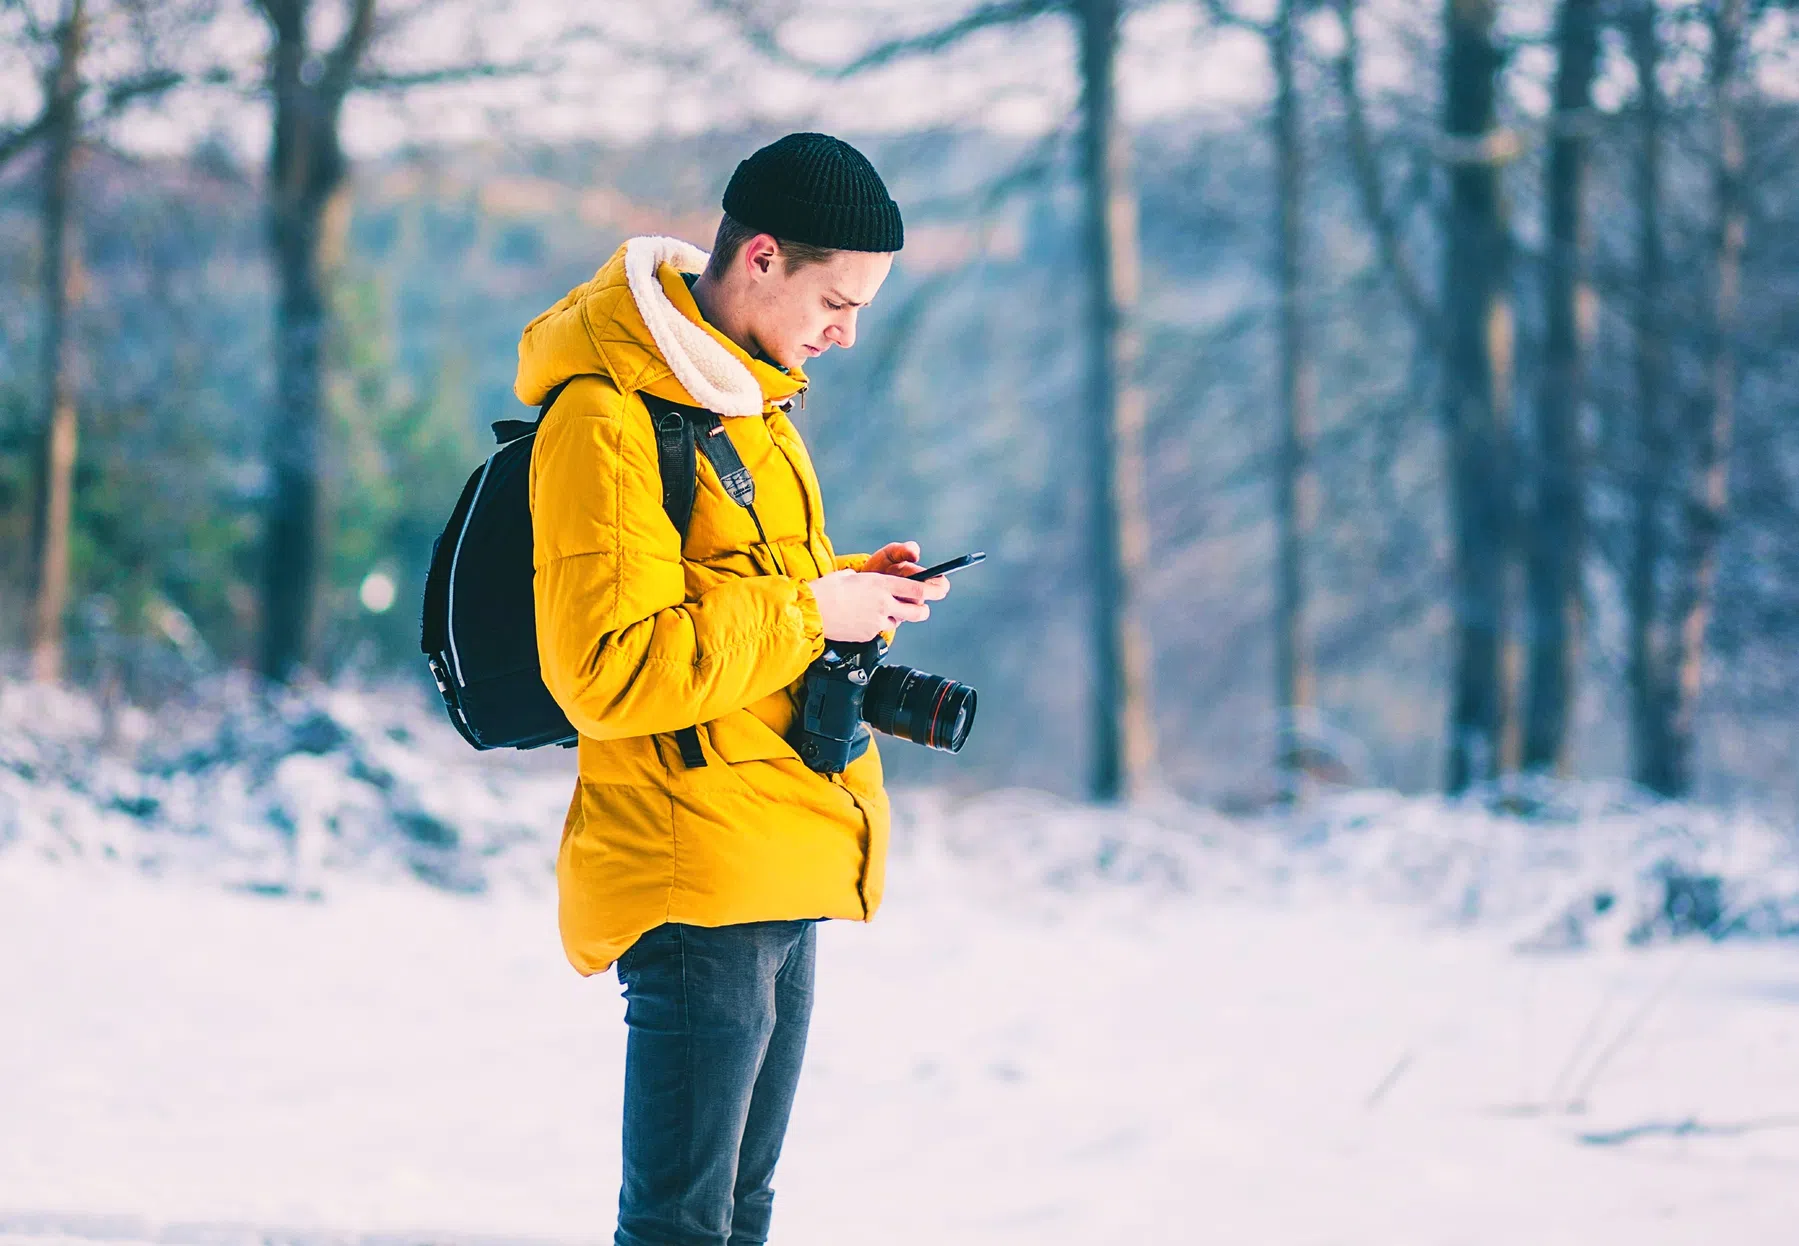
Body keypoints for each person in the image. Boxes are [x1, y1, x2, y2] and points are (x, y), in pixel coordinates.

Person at [517, 132, 946, 1246]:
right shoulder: (605, 417)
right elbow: (606, 665)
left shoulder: (744, 398)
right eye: (836, 299)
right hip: (693, 860)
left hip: (778, 840)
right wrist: (814, 613)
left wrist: (847, 587)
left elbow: (735, 590)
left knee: (738, 1211)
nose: (846, 331)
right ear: (761, 256)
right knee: (679, 1222)